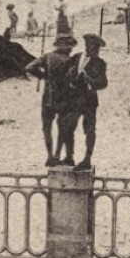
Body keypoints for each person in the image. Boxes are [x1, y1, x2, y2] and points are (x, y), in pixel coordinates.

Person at [25, 35, 77, 166]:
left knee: (47, 127)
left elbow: (29, 68)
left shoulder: (47, 56)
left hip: (48, 96)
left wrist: (44, 76)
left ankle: (49, 156)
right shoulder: (71, 61)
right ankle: (58, 154)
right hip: (65, 98)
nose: (71, 50)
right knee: (63, 127)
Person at [62, 34, 108, 171]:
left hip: (89, 101)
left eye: (96, 48)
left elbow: (103, 83)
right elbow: (64, 75)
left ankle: (87, 159)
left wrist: (91, 81)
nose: (94, 50)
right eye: (91, 46)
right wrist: (69, 75)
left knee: (89, 130)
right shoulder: (76, 58)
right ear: (86, 45)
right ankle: (69, 157)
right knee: (68, 126)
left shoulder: (100, 63)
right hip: (74, 100)